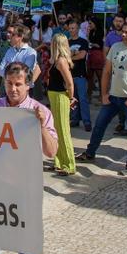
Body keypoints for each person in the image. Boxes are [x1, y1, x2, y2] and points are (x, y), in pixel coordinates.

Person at [0, 64, 57, 254]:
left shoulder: (40, 111)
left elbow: (51, 151)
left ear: (28, 85)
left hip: (25, 189)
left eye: (18, 84)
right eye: (9, 83)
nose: (13, 89)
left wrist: (40, 127)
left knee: (26, 244)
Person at [76, 21, 127, 175]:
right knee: (99, 125)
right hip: (113, 97)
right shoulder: (116, 47)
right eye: (122, 31)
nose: (123, 34)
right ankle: (90, 152)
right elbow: (106, 71)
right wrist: (104, 94)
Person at [47, 34, 78, 176]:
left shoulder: (61, 61)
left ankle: (69, 164)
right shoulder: (56, 60)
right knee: (56, 131)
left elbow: (70, 83)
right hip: (54, 95)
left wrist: (71, 98)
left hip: (60, 96)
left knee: (63, 131)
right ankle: (59, 161)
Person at [0, 24, 40, 97]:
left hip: (22, 92)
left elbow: (24, 74)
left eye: (13, 35)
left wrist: (8, 71)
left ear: (20, 37)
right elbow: (0, 70)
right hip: (7, 90)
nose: (9, 36)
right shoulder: (10, 50)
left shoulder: (30, 52)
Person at [64, 20, 92, 131]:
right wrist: (73, 55)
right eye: (70, 28)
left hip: (80, 75)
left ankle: (86, 121)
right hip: (69, 75)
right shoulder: (66, 42)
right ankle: (74, 119)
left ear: (78, 29)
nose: (71, 30)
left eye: (73, 28)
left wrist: (69, 58)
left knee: (83, 99)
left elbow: (82, 55)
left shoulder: (83, 42)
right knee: (72, 99)